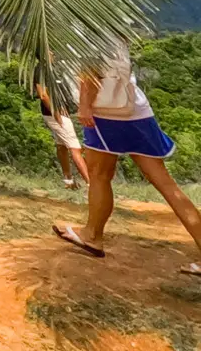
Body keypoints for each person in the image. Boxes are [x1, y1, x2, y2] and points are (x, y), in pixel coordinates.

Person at [53, 41, 201, 274]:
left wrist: (84, 105)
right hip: (136, 109)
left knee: (99, 175)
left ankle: (92, 235)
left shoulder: (89, 26)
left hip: (105, 113)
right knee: (165, 182)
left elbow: (92, 69)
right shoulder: (115, 26)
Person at [37, 82, 90, 189]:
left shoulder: (58, 68)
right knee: (75, 148)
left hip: (62, 112)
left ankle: (68, 181)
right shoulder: (41, 69)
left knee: (61, 146)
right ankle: (91, 183)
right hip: (56, 114)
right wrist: (57, 114)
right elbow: (43, 95)